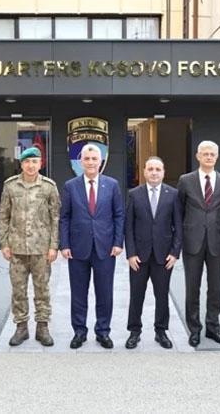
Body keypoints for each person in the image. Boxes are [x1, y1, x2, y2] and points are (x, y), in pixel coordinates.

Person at [60, 144, 124, 349]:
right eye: (86, 159)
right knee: (78, 294)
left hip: (105, 248)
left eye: (94, 159)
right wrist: (64, 244)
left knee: (104, 293)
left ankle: (103, 332)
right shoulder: (70, 186)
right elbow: (64, 217)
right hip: (77, 248)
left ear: (100, 161)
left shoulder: (112, 185)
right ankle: (79, 332)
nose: (90, 162)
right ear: (81, 162)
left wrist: (118, 242)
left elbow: (119, 215)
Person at [0, 147, 60, 347]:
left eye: (34, 162)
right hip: (17, 248)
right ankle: (21, 327)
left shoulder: (49, 187)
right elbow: (3, 216)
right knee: (18, 290)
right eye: (27, 162)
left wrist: (53, 246)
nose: (31, 165)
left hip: (41, 249)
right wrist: (4, 243)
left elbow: (55, 218)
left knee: (42, 290)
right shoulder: (10, 186)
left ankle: (42, 327)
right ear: (21, 164)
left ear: (40, 163)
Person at [176, 140, 220, 347]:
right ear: (198, 156)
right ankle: (194, 329)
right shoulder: (185, 180)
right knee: (192, 288)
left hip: (217, 242)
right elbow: (179, 211)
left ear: (217, 157)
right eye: (205, 154)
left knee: (216, 288)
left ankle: (213, 327)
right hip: (192, 241)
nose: (209, 157)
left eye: (212, 154)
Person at [124, 157, 182, 349]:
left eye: (158, 169)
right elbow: (128, 227)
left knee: (162, 295)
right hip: (139, 257)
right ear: (144, 172)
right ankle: (134, 332)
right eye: (150, 169)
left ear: (163, 172)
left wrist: (175, 253)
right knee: (136, 295)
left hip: (163, 256)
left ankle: (161, 331)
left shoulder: (173, 194)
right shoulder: (134, 194)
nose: (154, 172)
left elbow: (178, 226)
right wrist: (131, 253)